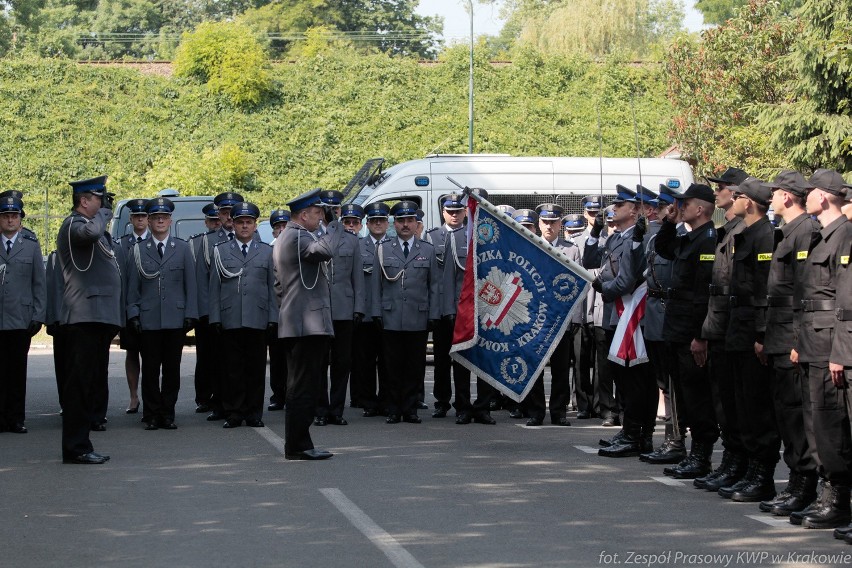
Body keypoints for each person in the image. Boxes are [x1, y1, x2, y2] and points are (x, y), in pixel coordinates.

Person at [791, 169, 852, 529]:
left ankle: (838, 498)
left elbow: (843, 300)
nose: (806, 195)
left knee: (831, 425)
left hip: (832, 339)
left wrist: (839, 351)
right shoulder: (821, 235)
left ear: (824, 196)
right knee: (818, 423)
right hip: (815, 338)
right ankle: (830, 494)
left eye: (811, 190)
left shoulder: (843, 235)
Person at [758, 170, 819, 516]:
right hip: (778, 336)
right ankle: (796, 482)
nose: (772, 197)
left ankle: (804, 485)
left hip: (791, 338)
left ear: (789, 196)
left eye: (776, 192)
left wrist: (798, 340)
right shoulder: (788, 234)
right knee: (786, 413)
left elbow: (803, 292)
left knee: (797, 417)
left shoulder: (805, 233)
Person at [716, 177, 780, 502]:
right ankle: (749, 469)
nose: (734, 199)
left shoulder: (764, 236)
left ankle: (763, 475)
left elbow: (764, 290)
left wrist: (761, 334)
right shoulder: (745, 235)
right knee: (741, 405)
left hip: (751, 330)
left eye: (739, 196)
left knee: (756, 406)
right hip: (736, 327)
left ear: (750, 202)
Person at [654, 183, 719, 478]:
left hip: (690, 329)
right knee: (682, 392)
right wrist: (668, 222)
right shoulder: (688, 237)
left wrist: (699, 335)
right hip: (676, 327)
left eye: (685, 203)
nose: (680, 207)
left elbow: (703, 293)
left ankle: (702, 456)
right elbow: (663, 249)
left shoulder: (707, 240)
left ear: (701, 208)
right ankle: (694, 454)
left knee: (697, 396)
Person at [585, 187, 655, 457]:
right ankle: (629, 430)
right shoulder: (616, 238)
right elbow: (593, 260)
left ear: (635, 210)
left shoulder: (637, 239)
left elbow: (626, 281)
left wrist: (604, 288)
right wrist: (595, 232)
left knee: (634, 381)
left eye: (620, 204)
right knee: (622, 379)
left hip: (630, 317)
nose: (613, 207)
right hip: (617, 315)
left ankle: (637, 433)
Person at [57, 175, 121, 464]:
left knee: (89, 384)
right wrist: (106, 213)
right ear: (84, 200)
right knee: (79, 386)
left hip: (98, 317)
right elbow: (91, 234)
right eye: (99, 198)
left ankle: (82, 443)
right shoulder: (74, 225)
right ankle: (75, 447)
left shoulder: (94, 229)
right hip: (83, 316)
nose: (103, 204)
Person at [273, 188, 341, 460]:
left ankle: (301, 442)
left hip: (300, 322)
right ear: (304, 215)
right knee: (303, 387)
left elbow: (279, 287)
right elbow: (326, 250)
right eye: (317, 213)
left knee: (303, 385)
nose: (321, 217)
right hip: (306, 326)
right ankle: (298, 445)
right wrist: (334, 222)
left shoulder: (288, 236)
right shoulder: (298, 236)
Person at [694, 166, 750, 491]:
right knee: (724, 403)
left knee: (736, 404)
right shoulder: (725, 230)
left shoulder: (742, 231)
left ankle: (741, 463)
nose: (717, 192)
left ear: (738, 192)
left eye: (722, 187)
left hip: (732, 330)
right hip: (719, 328)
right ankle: (731, 460)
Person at [126, 197, 198, 430]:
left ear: (170, 220)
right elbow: (132, 286)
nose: (159, 221)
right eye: (155, 217)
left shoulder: (183, 248)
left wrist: (190, 313)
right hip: (148, 319)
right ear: (148, 221)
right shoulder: (138, 250)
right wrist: (133, 313)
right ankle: (151, 413)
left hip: (175, 319)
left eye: (163, 217)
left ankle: (168, 413)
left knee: (172, 370)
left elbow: (191, 285)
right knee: (149, 369)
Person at [209, 202, 277, 428]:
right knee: (232, 369)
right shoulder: (220, 250)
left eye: (249, 222)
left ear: (255, 225)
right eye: (240, 222)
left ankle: (254, 413)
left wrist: (273, 318)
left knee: (256, 369)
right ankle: (234, 412)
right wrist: (215, 317)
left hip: (257, 317)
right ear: (233, 224)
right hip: (231, 317)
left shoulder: (267, 251)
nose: (244, 226)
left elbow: (272, 288)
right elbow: (214, 288)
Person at [372, 200, 440, 424]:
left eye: (409, 220)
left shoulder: (427, 250)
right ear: (394, 223)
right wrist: (376, 312)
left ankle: (410, 409)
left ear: (415, 223)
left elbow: (434, 286)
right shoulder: (383, 249)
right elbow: (376, 285)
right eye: (400, 220)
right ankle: (393, 409)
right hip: (390, 316)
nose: (405, 225)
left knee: (414, 366)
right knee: (391, 366)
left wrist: (433, 315)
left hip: (418, 316)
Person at [520, 202, 582, 426]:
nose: (549, 226)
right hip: (535, 320)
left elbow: (577, 287)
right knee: (535, 367)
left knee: (561, 368)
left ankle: (559, 412)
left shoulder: (571, 250)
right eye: (545, 222)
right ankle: (536, 411)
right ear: (539, 223)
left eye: (553, 222)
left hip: (561, 320)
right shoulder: (530, 246)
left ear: (560, 224)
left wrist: (574, 318)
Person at [640, 186, 688, 465]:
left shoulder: (681, 237)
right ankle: (670, 437)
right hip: (655, 315)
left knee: (673, 384)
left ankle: (676, 439)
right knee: (663, 382)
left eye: (663, 207)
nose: (657, 211)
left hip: (671, 313)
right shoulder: (656, 238)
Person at [316, 201, 365, 426]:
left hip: (344, 309)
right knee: (318, 363)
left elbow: (357, 278)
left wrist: (358, 307)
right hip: (318, 309)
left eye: (335, 210)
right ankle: (320, 410)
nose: (331, 214)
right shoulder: (312, 236)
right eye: (327, 210)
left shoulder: (351, 240)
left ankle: (336, 410)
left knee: (341, 362)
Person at [196, 192, 244, 421]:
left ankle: (240, 402)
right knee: (216, 361)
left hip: (241, 310)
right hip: (218, 311)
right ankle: (219, 404)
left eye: (231, 212)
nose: (227, 217)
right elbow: (204, 280)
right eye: (224, 212)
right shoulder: (208, 240)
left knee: (240, 361)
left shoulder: (246, 238)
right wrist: (208, 312)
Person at [0, 196, 46, 434]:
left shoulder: (30, 244)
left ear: (20, 220)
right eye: (6, 215)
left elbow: (39, 282)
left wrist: (38, 315)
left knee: (17, 372)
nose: (10, 219)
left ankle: (16, 418)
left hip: (21, 318)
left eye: (14, 216)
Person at [427, 193, 469, 420]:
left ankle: (463, 404)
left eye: (458, 211)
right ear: (443, 212)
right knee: (441, 360)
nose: (454, 215)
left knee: (462, 359)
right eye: (450, 211)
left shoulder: (470, 235)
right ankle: (441, 402)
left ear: (464, 212)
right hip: (441, 308)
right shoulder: (433, 236)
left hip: (463, 309)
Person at [352, 202, 392, 417]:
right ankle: (368, 401)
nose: (377, 224)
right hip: (365, 312)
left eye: (381, 220)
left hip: (388, 312)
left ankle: (386, 400)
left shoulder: (395, 246)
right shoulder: (357, 246)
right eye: (374, 220)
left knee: (387, 360)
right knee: (365, 361)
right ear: (367, 223)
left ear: (387, 223)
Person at [113, 198, 148, 415]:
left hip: (152, 308)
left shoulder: (156, 242)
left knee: (153, 357)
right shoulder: (121, 245)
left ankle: (151, 397)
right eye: (137, 216)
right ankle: (134, 396)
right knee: (132, 353)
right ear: (131, 219)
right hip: (129, 308)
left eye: (144, 216)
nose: (141, 220)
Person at [188, 202, 221, 414]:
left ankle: (219, 395)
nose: (217, 224)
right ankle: (203, 396)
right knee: (205, 357)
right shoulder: (197, 243)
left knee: (221, 357)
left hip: (224, 310)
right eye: (213, 220)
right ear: (206, 222)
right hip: (205, 309)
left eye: (219, 220)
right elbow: (194, 279)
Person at [267, 208, 290, 412]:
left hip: (293, 312)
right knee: (276, 358)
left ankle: (292, 394)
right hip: (275, 312)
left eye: (285, 226)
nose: (282, 230)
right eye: (278, 227)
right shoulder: (268, 250)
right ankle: (278, 395)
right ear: (273, 231)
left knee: (293, 357)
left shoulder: (297, 247)